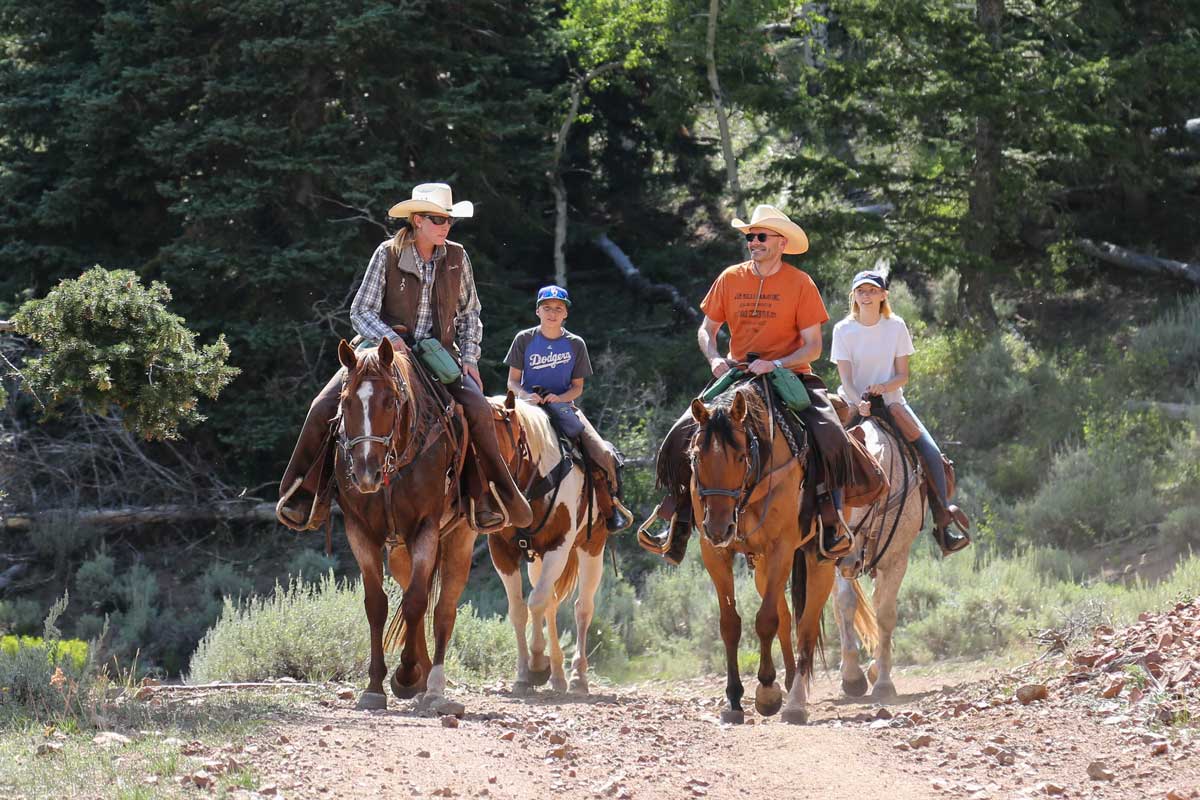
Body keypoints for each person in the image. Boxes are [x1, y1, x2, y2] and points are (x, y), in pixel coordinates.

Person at [275, 183, 533, 532]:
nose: (445, 226)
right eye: (438, 219)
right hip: (380, 354)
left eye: (448, 220)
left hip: (437, 355)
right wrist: (392, 338)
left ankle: (486, 495)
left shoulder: (457, 258)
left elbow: (470, 314)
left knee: (478, 410)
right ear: (417, 220)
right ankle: (305, 493)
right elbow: (361, 310)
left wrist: (470, 360)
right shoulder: (387, 253)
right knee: (322, 406)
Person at [639, 205, 877, 565]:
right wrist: (715, 358)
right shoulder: (730, 278)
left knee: (829, 432)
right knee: (682, 433)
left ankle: (831, 520)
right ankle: (678, 522)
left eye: (761, 236)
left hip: (791, 374)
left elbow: (813, 344)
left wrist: (777, 362)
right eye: (750, 236)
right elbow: (706, 329)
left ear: (781, 242)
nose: (753, 242)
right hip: (737, 374)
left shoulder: (800, 283)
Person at [830, 269, 970, 555]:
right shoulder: (843, 329)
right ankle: (826, 525)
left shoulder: (896, 326)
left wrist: (883, 386)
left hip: (892, 403)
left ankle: (943, 523)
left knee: (930, 452)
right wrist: (859, 403)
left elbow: (903, 375)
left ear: (883, 295)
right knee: (826, 453)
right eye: (861, 291)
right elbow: (845, 377)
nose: (866, 296)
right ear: (853, 296)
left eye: (872, 290)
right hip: (853, 402)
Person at [503, 285, 632, 531]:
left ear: (565, 314)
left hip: (563, 406)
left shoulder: (575, 344)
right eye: (547, 308)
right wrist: (526, 395)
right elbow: (512, 381)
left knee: (602, 453)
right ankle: (490, 507)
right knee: (498, 445)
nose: (552, 313)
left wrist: (559, 398)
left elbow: (578, 387)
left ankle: (610, 509)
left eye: (558, 309)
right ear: (538, 311)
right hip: (528, 407)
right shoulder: (524, 339)